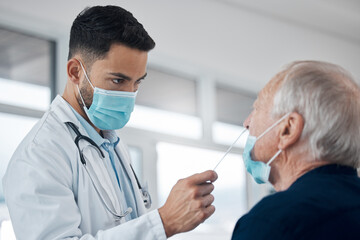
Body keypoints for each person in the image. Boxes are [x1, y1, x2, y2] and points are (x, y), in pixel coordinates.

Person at [3, 5, 217, 240]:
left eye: (137, 83)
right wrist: (163, 223)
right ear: (75, 72)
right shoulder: (39, 155)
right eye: (118, 80)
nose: (130, 94)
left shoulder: (110, 143)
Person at [232, 61, 360, 239]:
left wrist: (176, 224)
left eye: (256, 108)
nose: (246, 123)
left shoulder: (273, 221)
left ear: (288, 129)